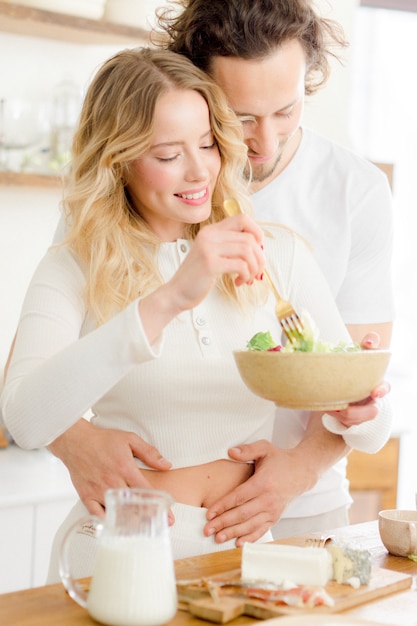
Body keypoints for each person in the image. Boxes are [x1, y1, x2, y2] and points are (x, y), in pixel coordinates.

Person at [1, 47, 391, 582]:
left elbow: (370, 422)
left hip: (249, 559)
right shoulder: (74, 265)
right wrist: (170, 298)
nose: (199, 169)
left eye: (207, 143)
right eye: (167, 155)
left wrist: (362, 408)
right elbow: (23, 416)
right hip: (121, 555)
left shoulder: (276, 253)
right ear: (118, 161)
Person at [154, 0, 394, 540]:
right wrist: (78, 445)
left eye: (286, 110)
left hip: (304, 512)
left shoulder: (355, 191)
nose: (265, 141)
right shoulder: (147, 179)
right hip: (161, 515)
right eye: (240, 118)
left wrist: (294, 474)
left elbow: (357, 377)